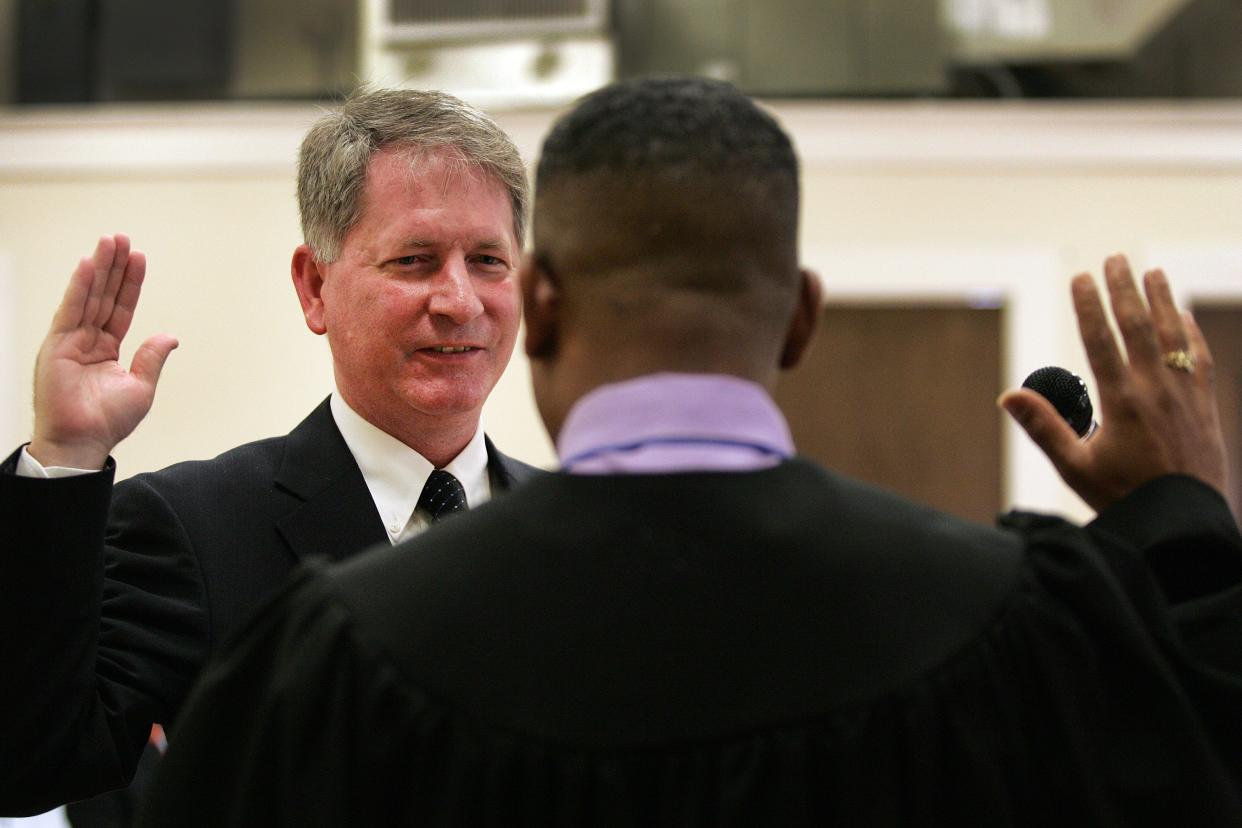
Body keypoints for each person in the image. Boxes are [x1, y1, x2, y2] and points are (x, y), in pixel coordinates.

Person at [140, 77, 1242, 826]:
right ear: (803, 319)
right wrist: (1184, 529)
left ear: (539, 307)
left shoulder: (333, 662)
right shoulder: (1004, 623)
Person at [0, 88, 542, 817]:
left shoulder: (573, 529)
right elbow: (34, 762)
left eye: (487, 260)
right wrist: (64, 455)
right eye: (414, 260)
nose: (459, 300)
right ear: (315, 286)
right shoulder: (193, 528)